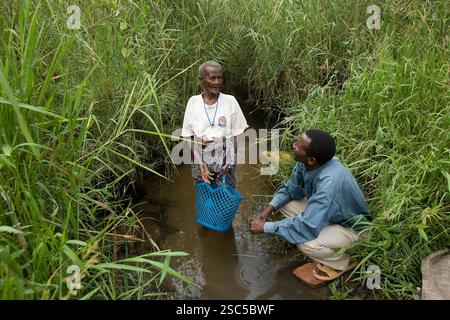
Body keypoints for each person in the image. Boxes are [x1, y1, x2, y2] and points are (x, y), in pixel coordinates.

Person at [250, 129, 371, 283]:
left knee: (305, 242)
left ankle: (342, 261)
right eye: (296, 142)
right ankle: (329, 244)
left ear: (312, 159)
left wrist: (265, 227)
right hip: (330, 213)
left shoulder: (330, 182)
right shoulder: (308, 163)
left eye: (298, 146)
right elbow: (290, 190)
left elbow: (306, 226)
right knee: (286, 203)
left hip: (352, 229)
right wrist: (266, 211)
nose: (293, 145)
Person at [181, 60, 248, 186]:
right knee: (205, 200)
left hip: (225, 160)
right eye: (212, 78)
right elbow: (187, 137)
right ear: (202, 79)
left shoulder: (230, 101)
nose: (217, 82)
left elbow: (236, 134)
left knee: (226, 198)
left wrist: (228, 162)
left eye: (220, 78)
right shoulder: (193, 102)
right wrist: (201, 164)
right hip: (201, 160)